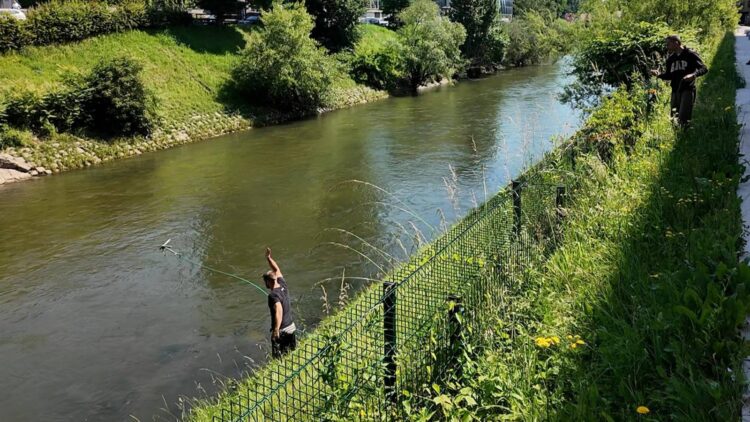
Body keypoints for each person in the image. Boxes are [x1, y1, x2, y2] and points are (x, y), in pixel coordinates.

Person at [651, 35, 708, 127]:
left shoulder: (690, 54)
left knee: (683, 119)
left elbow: (704, 68)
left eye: (668, 44)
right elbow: (669, 76)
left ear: (676, 43)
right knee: (674, 118)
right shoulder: (670, 59)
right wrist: (659, 75)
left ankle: (684, 137)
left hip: (687, 90)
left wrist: (693, 75)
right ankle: (676, 135)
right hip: (675, 91)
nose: (667, 47)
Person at [263, 247, 297, 358]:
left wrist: (276, 330)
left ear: (268, 282)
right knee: (292, 355)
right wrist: (269, 258)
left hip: (282, 330)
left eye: (265, 281)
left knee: (279, 359)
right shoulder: (283, 284)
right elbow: (276, 270)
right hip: (291, 326)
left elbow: (278, 310)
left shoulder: (273, 295)